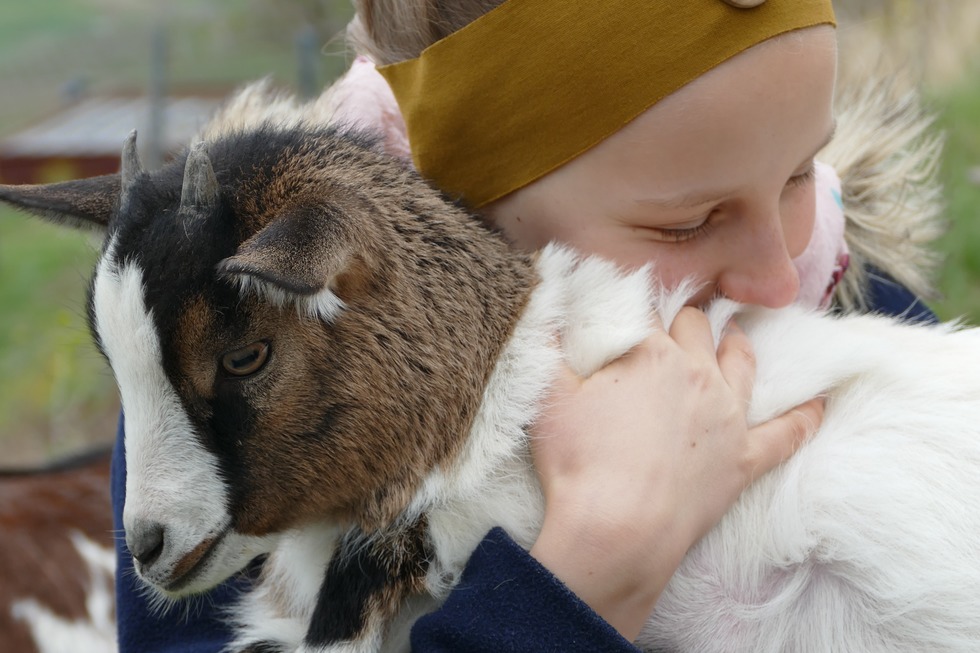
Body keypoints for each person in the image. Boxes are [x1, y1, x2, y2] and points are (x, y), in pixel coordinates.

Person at [110, 0, 943, 650]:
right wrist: (585, 577)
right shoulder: (241, 424)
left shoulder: (862, 306)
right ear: (462, 209)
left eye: (800, 171)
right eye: (686, 224)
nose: (776, 276)